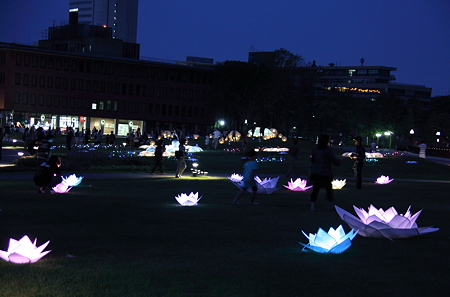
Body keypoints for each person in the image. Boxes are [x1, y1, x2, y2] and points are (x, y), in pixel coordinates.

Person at [309, 134, 342, 211]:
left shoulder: (315, 149)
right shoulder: (327, 151)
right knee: (328, 189)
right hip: (325, 172)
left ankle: (312, 206)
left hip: (316, 171)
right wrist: (341, 159)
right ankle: (329, 205)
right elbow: (335, 162)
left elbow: (312, 160)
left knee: (315, 190)